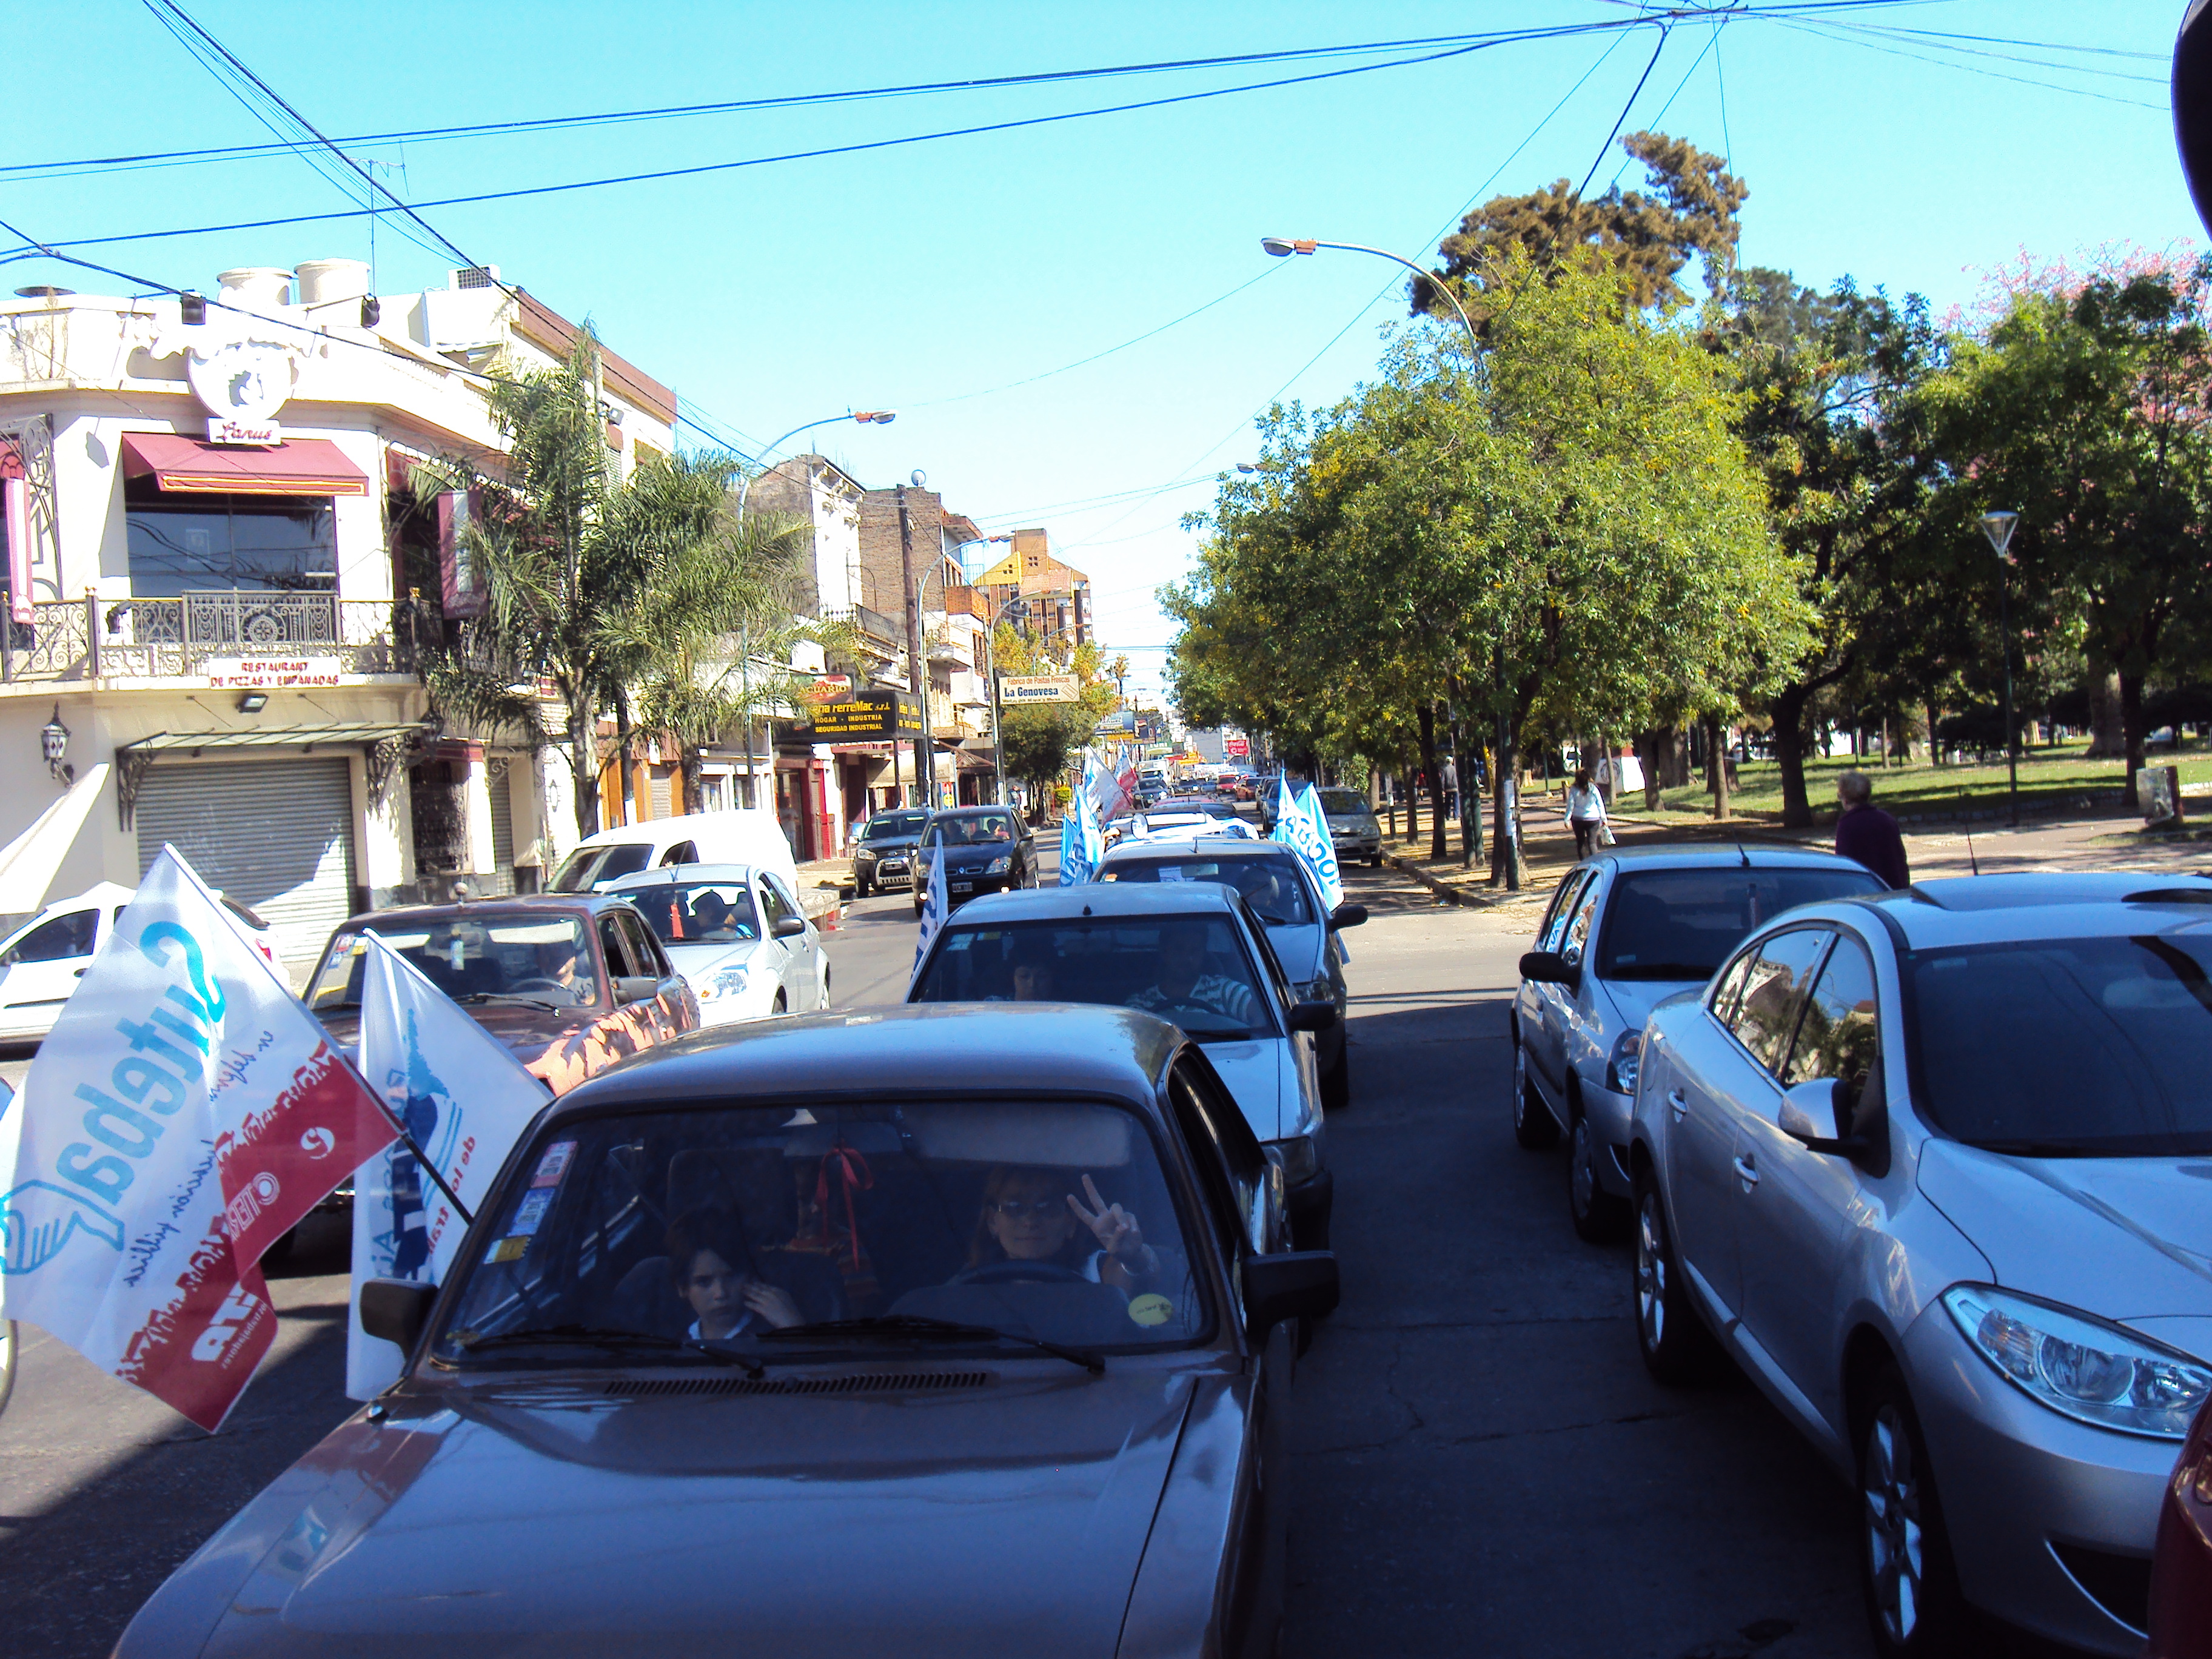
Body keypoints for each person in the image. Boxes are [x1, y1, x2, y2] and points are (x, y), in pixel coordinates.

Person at [961, 1165, 1158, 1291]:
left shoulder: (1095, 1270)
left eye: (1047, 1209)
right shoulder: (970, 1283)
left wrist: (1133, 1257)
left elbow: (1138, 1275)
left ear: (1070, 1223)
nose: (1030, 1222)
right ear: (993, 1222)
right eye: (1015, 1208)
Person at [666, 1207, 803, 1339]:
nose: (721, 1293)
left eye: (731, 1276)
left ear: (750, 1275)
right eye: (704, 1282)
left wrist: (794, 1329)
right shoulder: (674, 1344)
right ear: (682, 1288)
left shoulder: (773, 1336)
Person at [1125, 920, 1260, 1031]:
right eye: (1179, 949)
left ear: (1203, 954)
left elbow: (1260, 1016)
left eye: (1195, 951)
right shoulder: (1141, 1004)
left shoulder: (1223, 990)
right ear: (1164, 952)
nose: (1187, 958)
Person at [1834, 769, 1911, 889]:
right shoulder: (1886, 819)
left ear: (1845, 798)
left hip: (1866, 891)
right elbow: (1900, 859)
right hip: (1894, 889)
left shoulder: (1847, 825)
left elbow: (1844, 865)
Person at [526, 935, 595, 1005]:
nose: (556, 956)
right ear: (538, 959)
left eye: (561, 950)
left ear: (573, 957)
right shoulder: (527, 988)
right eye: (548, 951)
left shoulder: (592, 987)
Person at [1564, 767, 1609, 860]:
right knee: (1592, 843)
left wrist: (1567, 819)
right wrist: (1604, 818)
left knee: (1581, 843)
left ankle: (1583, 863)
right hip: (1593, 818)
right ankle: (1594, 862)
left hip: (1578, 819)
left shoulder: (1574, 789)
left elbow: (1571, 805)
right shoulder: (1593, 788)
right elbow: (1600, 804)